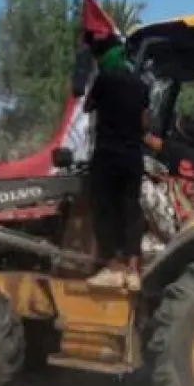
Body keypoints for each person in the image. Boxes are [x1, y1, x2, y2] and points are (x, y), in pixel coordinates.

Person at [83, 34, 150, 290]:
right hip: (133, 157)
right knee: (131, 209)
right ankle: (133, 269)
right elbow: (145, 123)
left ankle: (112, 265)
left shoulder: (104, 80)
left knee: (105, 208)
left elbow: (88, 107)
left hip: (108, 155)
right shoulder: (141, 85)